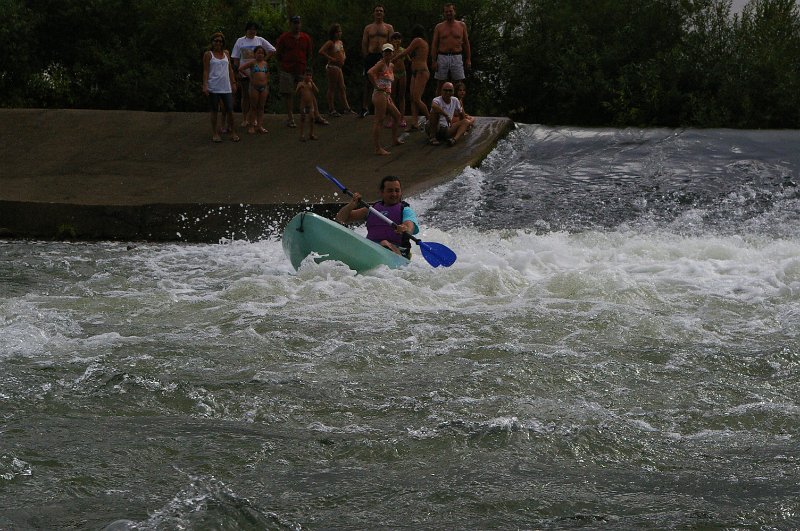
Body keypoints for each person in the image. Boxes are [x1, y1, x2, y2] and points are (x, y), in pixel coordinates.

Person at [335, 175, 419, 258]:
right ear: (382, 192)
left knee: (384, 243)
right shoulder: (372, 209)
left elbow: (409, 227)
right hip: (372, 250)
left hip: (399, 253)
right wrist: (351, 205)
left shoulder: (405, 210)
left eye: (397, 190)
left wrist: (404, 228)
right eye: (390, 191)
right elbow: (340, 218)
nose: (394, 194)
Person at [276, 15, 329, 129]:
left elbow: (309, 53)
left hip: (301, 69)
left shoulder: (305, 37)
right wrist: (284, 64)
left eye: (298, 23)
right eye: (295, 23)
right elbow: (279, 53)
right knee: (288, 94)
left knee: (309, 91)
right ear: (291, 24)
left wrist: (306, 67)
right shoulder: (284, 38)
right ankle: (290, 118)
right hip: (287, 69)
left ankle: (316, 115)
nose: (297, 25)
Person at [231, 22, 276, 128]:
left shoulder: (259, 40)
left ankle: (254, 119)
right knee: (245, 96)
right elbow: (236, 58)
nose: (252, 31)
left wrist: (262, 61)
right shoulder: (240, 41)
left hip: (257, 74)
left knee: (256, 98)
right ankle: (245, 119)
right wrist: (236, 72)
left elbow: (272, 50)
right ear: (246, 30)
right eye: (250, 29)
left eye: (254, 29)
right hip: (244, 73)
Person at [202, 32, 240, 143]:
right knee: (214, 110)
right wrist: (205, 85)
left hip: (226, 86)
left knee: (230, 110)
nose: (218, 43)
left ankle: (233, 132)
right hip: (213, 86)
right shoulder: (208, 54)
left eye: (220, 41)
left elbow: (230, 69)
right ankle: (215, 133)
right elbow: (206, 71)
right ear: (212, 42)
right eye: (216, 41)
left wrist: (233, 82)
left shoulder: (226, 53)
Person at [368, 43, 404, 156]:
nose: (388, 54)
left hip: (386, 95)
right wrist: (376, 86)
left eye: (389, 51)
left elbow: (388, 82)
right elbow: (370, 72)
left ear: (392, 53)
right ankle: (377, 148)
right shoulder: (381, 64)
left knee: (397, 115)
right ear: (383, 53)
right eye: (386, 52)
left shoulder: (391, 65)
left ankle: (394, 139)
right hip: (380, 94)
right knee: (379, 120)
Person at [392, 24, 430, 131]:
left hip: (421, 72)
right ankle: (414, 124)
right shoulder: (422, 42)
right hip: (415, 72)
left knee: (417, 98)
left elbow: (406, 52)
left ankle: (430, 119)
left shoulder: (418, 40)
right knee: (412, 99)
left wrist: (393, 59)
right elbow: (411, 56)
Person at [361, 5, 394, 117]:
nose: (379, 12)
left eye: (381, 11)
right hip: (371, 56)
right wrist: (366, 56)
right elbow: (364, 43)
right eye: (377, 11)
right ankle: (365, 107)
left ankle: (386, 107)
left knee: (385, 81)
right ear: (373, 13)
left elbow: (391, 43)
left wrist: (389, 58)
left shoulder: (388, 27)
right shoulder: (368, 28)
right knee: (368, 82)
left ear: (383, 13)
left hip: (383, 56)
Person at [431, 3, 471, 95]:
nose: (448, 13)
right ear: (444, 13)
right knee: (440, 83)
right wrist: (433, 60)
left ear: (454, 12)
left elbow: (466, 43)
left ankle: (457, 104)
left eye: (450, 11)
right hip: (442, 56)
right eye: (446, 12)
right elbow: (434, 45)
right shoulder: (439, 27)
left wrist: (468, 59)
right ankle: (438, 103)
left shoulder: (461, 25)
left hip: (457, 56)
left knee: (458, 84)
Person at [318, 23, 356, 116]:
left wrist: (343, 57)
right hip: (333, 67)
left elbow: (342, 52)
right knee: (332, 87)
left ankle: (347, 108)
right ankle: (331, 109)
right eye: (337, 32)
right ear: (333, 33)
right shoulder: (330, 43)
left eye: (340, 31)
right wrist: (331, 58)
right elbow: (321, 51)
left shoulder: (340, 42)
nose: (339, 33)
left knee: (342, 87)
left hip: (339, 67)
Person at [238, 46, 270, 134]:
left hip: (264, 88)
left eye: (262, 53)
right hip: (254, 87)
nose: (260, 54)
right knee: (253, 107)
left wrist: (266, 81)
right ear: (254, 54)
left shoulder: (265, 63)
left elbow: (267, 73)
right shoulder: (252, 63)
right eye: (258, 52)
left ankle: (259, 126)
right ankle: (251, 126)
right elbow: (240, 68)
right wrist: (249, 76)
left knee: (261, 107)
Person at [427, 81, 469, 146]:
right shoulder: (437, 100)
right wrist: (446, 115)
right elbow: (434, 106)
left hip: (446, 129)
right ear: (441, 91)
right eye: (445, 90)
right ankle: (432, 137)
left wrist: (463, 127)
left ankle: (454, 140)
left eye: (450, 90)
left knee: (466, 121)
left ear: (453, 92)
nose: (448, 92)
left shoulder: (455, 100)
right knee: (434, 111)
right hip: (434, 127)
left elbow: (461, 114)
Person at [388, 32, 407, 129]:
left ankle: (402, 118)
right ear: (391, 41)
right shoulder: (390, 51)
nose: (397, 41)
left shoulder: (403, 50)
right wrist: (394, 49)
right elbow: (390, 60)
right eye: (395, 39)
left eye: (398, 38)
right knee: (392, 96)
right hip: (393, 74)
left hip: (402, 73)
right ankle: (393, 118)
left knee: (401, 96)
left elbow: (408, 58)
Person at [296, 69, 320, 141]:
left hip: (310, 104)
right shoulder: (300, 83)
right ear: (304, 76)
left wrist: (312, 83)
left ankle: (311, 134)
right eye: (307, 75)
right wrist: (299, 88)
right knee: (303, 118)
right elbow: (296, 93)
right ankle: (301, 135)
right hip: (303, 104)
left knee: (312, 118)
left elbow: (317, 91)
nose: (308, 76)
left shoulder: (311, 83)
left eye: (310, 75)